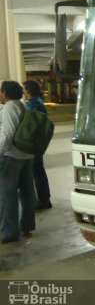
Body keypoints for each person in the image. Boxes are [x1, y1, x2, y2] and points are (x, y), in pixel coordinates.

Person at [0, 80, 36, 243]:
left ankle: (9, 232)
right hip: (27, 156)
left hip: (12, 157)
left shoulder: (9, 107)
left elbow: (7, 135)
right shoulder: (23, 106)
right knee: (27, 192)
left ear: (5, 93)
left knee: (7, 195)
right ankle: (27, 225)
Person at [23, 80, 52, 210]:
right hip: (38, 142)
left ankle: (43, 200)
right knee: (39, 171)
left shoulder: (32, 105)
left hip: (33, 143)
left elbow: (29, 125)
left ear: (28, 91)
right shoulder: (39, 102)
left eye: (24, 90)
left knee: (36, 172)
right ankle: (45, 199)